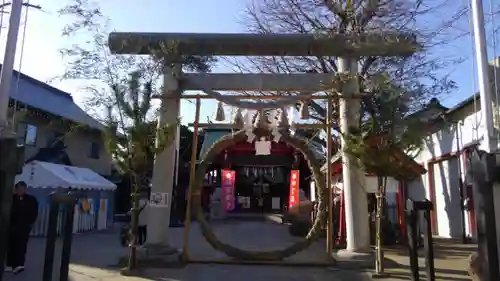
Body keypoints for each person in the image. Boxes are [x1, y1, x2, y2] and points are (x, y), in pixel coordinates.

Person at [6, 181, 38, 274]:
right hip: (12, 226)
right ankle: (10, 263)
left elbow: (34, 212)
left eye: (22, 189)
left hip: (23, 226)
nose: (20, 191)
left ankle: (19, 264)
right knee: (11, 245)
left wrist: (30, 223)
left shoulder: (31, 199)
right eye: (19, 189)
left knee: (21, 245)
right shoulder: (12, 198)